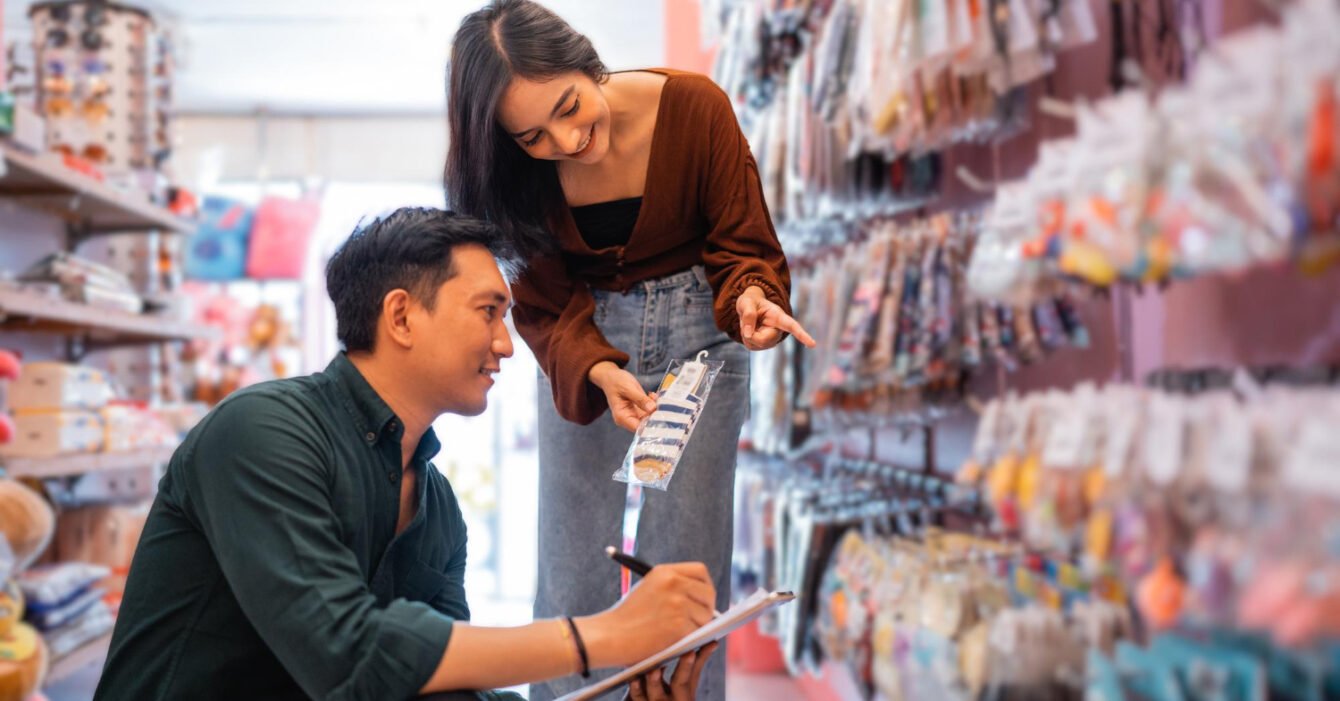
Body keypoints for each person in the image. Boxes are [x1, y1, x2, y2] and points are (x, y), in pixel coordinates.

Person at [93, 208, 718, 701]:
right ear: (401, 316)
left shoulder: (436, 504)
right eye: (489, 312)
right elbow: (347, 655)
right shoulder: (261, 433)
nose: (506, 344)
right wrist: (602, 635)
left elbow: (442, 689)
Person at [444, 3, 816, 699]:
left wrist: (752, 299)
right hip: (583, 343)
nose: (565, 138)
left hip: (703, 340)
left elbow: (742, 244)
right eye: (533, 135)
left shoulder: (695, 108)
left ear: (586, 61)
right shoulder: (516, 180)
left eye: (570, 105)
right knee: (571, 555)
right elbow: (543, 302)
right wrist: (597, 366)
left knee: (687, 560)